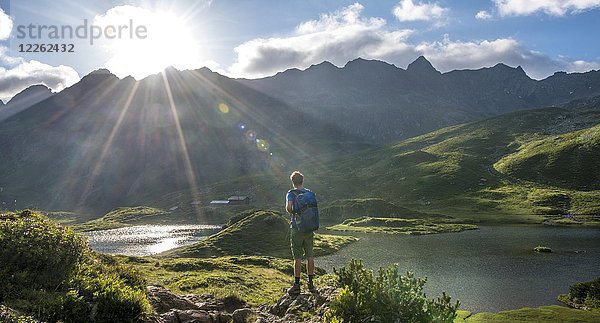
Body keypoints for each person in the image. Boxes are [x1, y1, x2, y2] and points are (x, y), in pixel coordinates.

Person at [285, 171, 316, 295]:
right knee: (310, 256)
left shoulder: (291, 193)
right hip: (309, 228)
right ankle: (311, 284)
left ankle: (297, 285)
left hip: (296, 228)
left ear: (293, 182)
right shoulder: (309, 193)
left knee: (297, 258)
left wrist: (292, 211)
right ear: (302, 181)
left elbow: (289, 208)